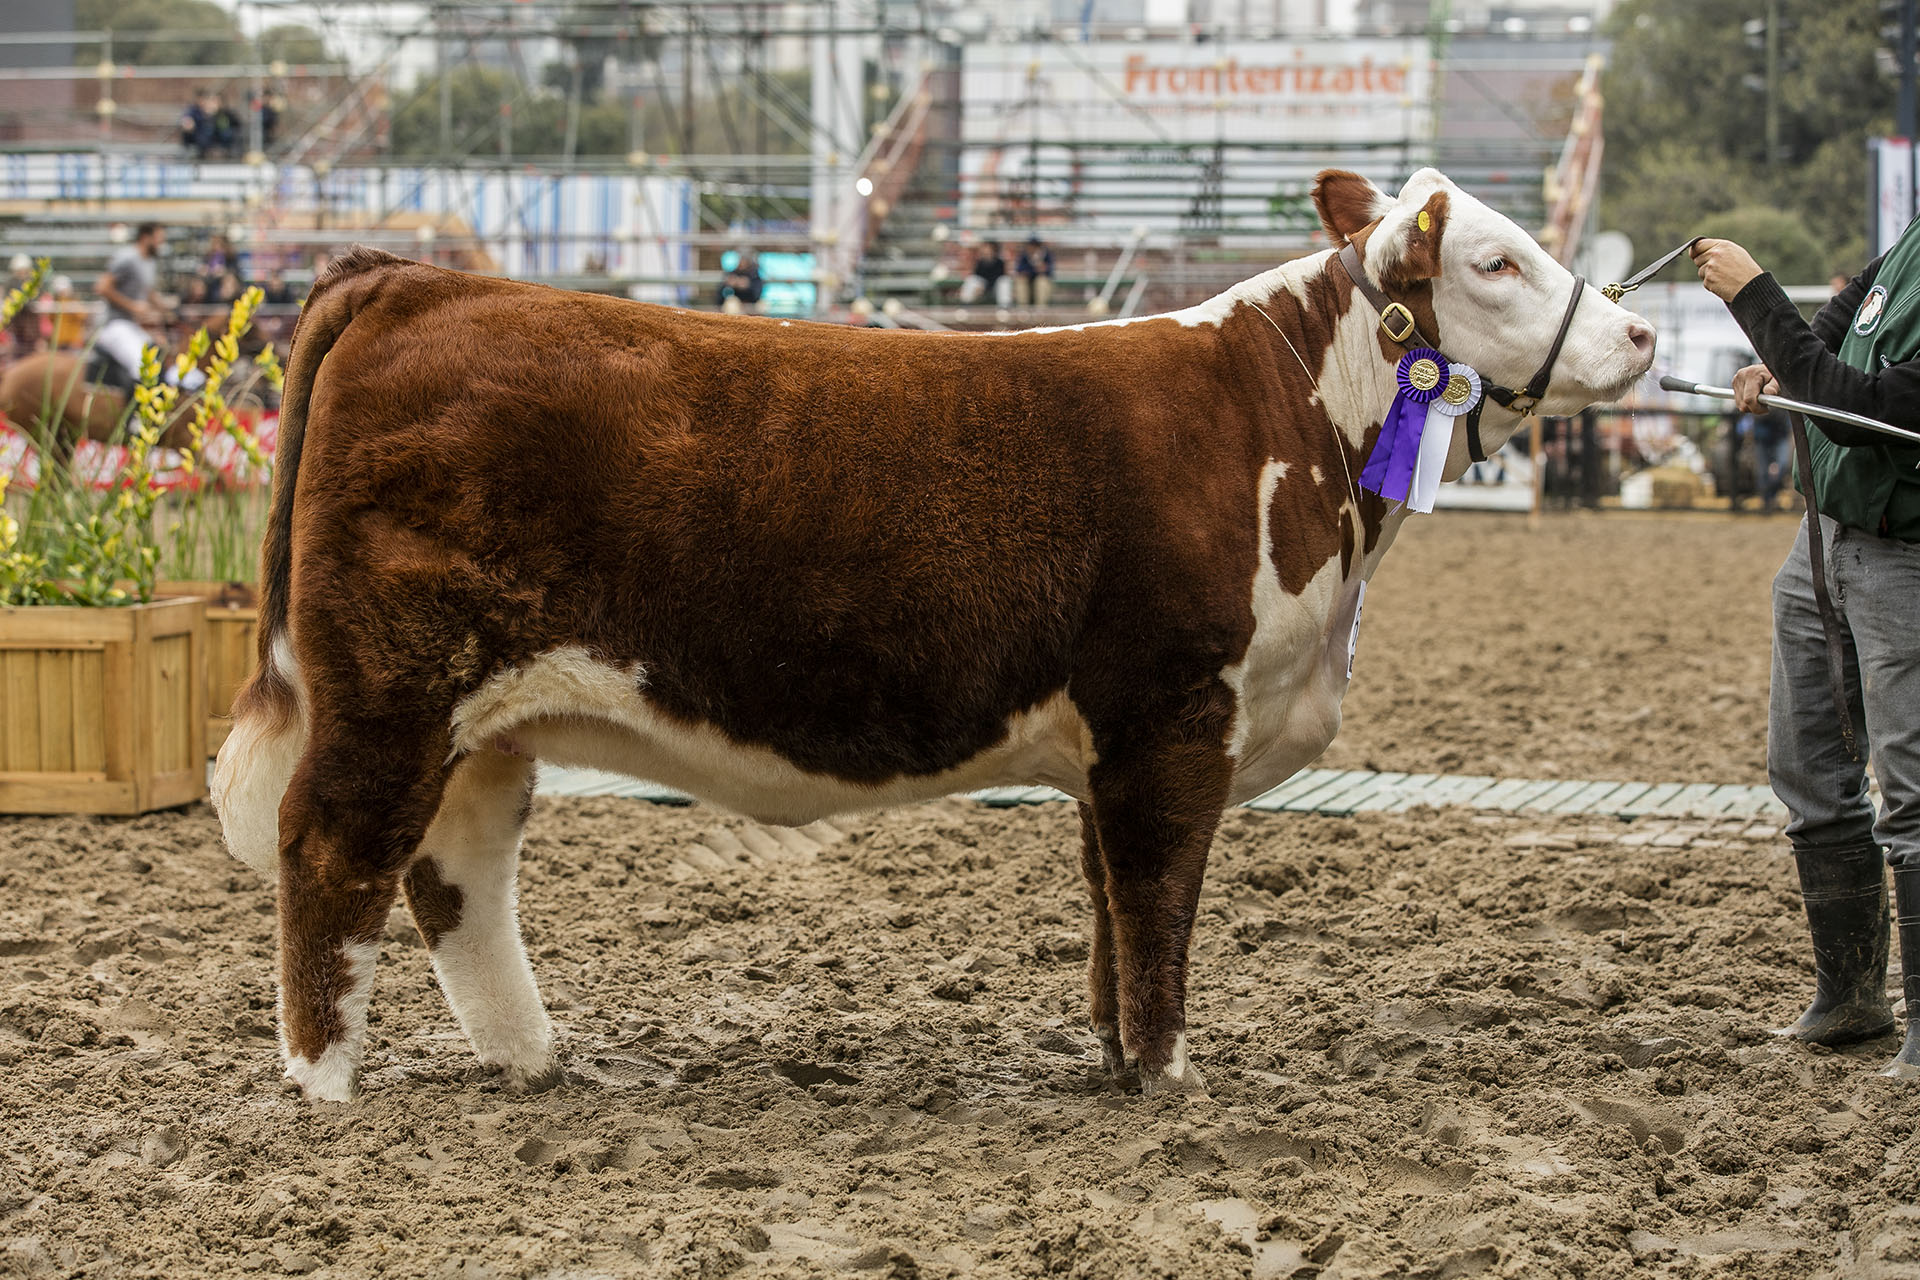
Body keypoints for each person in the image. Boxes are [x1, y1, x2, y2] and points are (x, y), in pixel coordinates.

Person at [1693, 229, 1920, 1078]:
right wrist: (1787, 361)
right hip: (1823, 535)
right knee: (1808, 770)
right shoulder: (1915, 241)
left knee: (1913, 792)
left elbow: (1875, 413)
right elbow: (1847, 319)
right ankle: (1851, 997)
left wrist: (1756, 299)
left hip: (1906, 554)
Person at [92, 222, 167, 394]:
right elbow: (102, 287)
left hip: (131, 326)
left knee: (157, 355)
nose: (161, 244)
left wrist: (166, 309)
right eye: (159, 239)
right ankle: (134, 418)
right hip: (114, 325)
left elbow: (147, 292)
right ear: (145, 237)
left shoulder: (149, 263)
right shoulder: (127, 258)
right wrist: (132, 306)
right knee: (142, 365)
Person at [5, 254, 43, 355]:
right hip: (15, 324)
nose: (22, 274)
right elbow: (8, 300)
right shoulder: (10, 283)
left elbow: (35, 300)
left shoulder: (32, 283)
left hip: (29, 326)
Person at [1014, 235, 1055, 308]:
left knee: (1041, 281)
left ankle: (1041, 309)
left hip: (1041, 283)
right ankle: (1022, 309)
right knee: (1021, 281)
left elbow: (1049, 271)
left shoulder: (1047, 254)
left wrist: (1041, 269)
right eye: (1031, 245)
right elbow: (1020, 270)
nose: (1033, 247)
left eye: (1035, 245)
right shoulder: (1024, 255)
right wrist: (1033, 270)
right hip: (1027, 283)